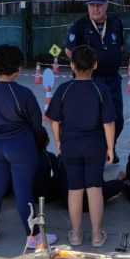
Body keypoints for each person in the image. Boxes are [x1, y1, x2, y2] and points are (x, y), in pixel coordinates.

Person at [0, 44, 58, 248]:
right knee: (23, 191)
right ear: (17, 67)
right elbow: (36, 124)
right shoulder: (23, 93)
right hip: (19, 146)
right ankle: (32, 236)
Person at [46, 45, 116, 248]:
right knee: (95, 190)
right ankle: (96, 235)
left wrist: (58, 140)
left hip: (71, 146)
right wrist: (110, 148)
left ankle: (76, 235)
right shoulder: (101, 89)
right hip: (95, 146)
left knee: (74, 189)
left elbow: (54, 120)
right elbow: (108, 122)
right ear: (95, 65)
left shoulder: (63, 89)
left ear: (72, 65)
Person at [65, 0, 125, 163]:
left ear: (106, 5)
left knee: (117, 118)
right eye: (92, 5)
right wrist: (84, 70)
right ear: (88, 7)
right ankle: (98, 152)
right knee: (93, 119)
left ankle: (109, 148)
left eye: (99, 5)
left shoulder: (115, 23)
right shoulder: (80, 25)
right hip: (90, 81)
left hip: (112, 80)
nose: (96, 9)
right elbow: (69, 51)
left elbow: (119, 47)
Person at [33, 127, 61, 202]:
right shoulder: (50, 157)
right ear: (47, 141)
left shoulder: (25, 157)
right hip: (48, 195)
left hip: (30, 195)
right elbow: (57, 176)